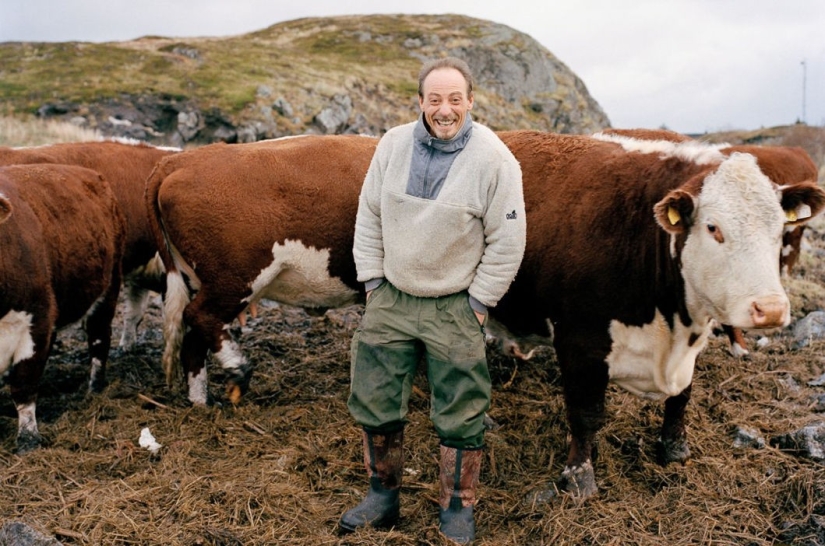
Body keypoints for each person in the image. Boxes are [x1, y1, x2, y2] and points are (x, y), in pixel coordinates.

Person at [339, 56, 526, 544]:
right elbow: (369, 214)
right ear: (420, 101)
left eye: (455, 99)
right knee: (375, 397)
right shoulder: (392, 144)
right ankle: (381, 497)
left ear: (471, 102)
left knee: (462, 409)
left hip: (454, 304)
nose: (445, 109)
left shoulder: (495, 160)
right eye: (436, 99)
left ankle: (457, 506)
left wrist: (479, 302)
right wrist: (373, 283)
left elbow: (508, 240)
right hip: (392, 298)